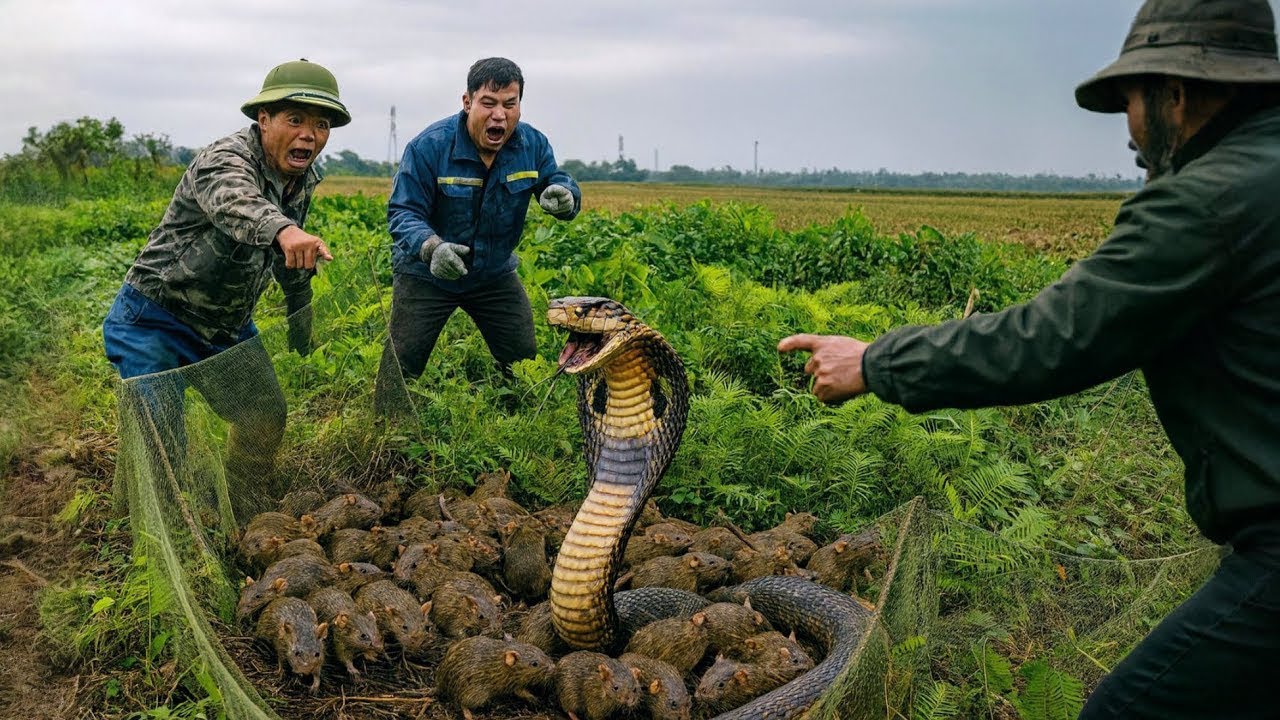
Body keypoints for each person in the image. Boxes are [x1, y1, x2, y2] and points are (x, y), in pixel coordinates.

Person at [778, 0, 1280, 717]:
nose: (1131, 132)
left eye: (1132, 101)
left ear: (1177, 93)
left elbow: (1052, 338)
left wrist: (877, 362)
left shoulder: (1207, 201)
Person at [102, 58, 349, 513]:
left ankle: (242, 512)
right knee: (159, 445)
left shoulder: (301, 178)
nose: (309, 135)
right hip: (155, 319)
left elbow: (289, 254)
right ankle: (135, 533)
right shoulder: (225, 159)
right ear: (264, 120)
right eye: (295, 120)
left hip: (224, 329)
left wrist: (300, 306)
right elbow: (237, 204)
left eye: (321, 124)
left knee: (263, 416)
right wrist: (283, 229)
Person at [375, 57, 580, 412]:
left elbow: (555, 180)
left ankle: (515, 431)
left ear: (518, 105)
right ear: (468, 102)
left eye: (509, 104)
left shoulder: (531, 145)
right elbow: (403, 212)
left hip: (493, 274)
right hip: (427, 273)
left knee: (522, 363)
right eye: (488, 103)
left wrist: (564, 195)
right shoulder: (429, 147)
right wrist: (432, 248)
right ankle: (384, 435)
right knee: (401, 364)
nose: (499, 115)